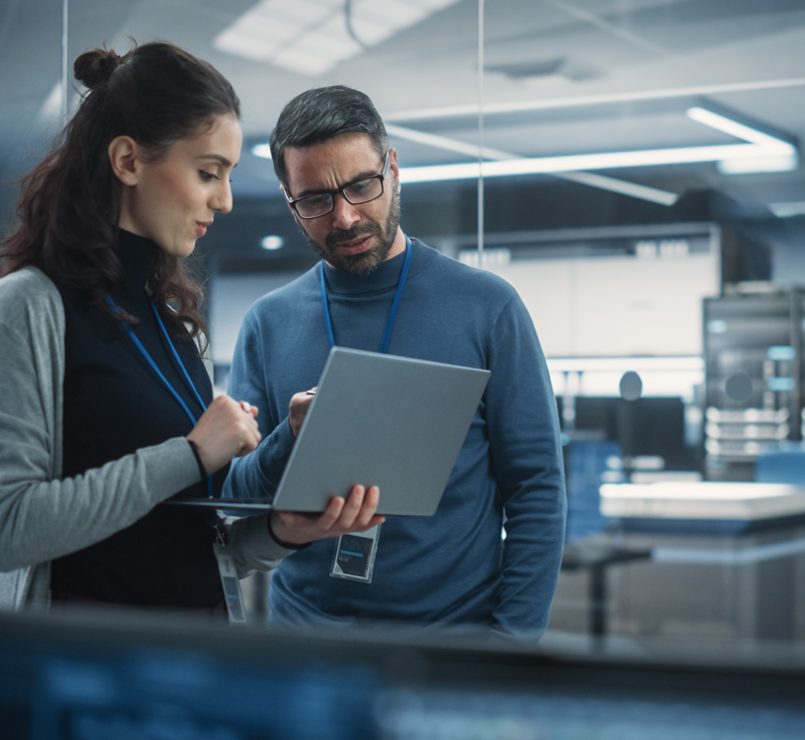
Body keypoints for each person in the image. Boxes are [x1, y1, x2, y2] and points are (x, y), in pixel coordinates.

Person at [0, 45, 381, 614]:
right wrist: (189, 455)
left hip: (193, 663)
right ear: (128, 160)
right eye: (208, 173)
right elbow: (2, 529)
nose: (225, 200)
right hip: (83, 677)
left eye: (227, 177)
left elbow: (196, 544)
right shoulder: (25, 307)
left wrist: (282, 531)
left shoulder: (175, 324)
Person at [224, 85, 566, 640]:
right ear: (290, 201)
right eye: (315, 200)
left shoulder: (487, 307)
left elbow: (536, 488)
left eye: (362, 185)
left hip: (454, 645)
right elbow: (237, 496)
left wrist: (513, 642)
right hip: (307, 646)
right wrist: (290, 436)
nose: (344, 216)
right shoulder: (268, 323)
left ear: (394, 169)